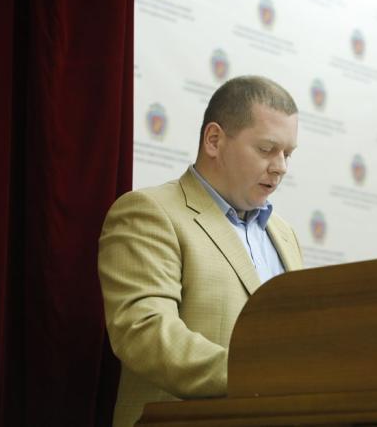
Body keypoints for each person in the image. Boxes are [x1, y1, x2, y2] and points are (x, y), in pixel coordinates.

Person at [98, 75, 303, 427]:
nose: (281, 167)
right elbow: (145, 334)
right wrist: (261, 377)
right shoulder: (150, 212)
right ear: (214, 140)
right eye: (267, 149)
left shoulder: (285, 235)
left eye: (288, 154)